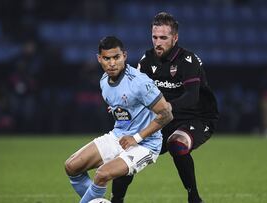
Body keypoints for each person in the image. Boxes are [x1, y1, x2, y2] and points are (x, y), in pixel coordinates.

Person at [111, 12, 219, 203]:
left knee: (176, 144)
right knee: (130, 149)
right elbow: (135, 92)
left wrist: (166, 106)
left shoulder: (189, 61)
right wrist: (120, 104)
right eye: (154, 37)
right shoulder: (147, 60)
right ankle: (116, 200)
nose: (158, 42)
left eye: (163, 37)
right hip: (163, 119)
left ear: (175, 38)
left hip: (197, 118)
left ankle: (194, 198)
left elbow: (192, 97)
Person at [64, 36, 173, 203]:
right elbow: (123, 106)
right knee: (72, 166)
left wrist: (136, 138)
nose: (112, 63)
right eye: (107, 58)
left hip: (145, 145)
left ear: (125, 56)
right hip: (119, 136)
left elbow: (166, 114)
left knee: (102, 174)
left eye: (116, 57)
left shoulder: (139, 82)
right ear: (99, 59)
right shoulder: (104, 82)